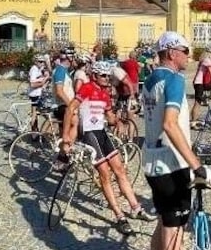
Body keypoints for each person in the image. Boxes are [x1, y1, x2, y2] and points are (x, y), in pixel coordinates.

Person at [142, 32, 211, 250]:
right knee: (174, 240)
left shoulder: (150, 79)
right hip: (171, 165)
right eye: (185, 50)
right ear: (171, 52)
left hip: (152, 162)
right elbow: (170, 124)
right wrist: (198, 166)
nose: (189, 55)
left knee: (163, 226)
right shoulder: (174, 80)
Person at [60, 61, 155, 235]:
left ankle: (136, 207)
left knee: (120, 170)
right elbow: (70, 109)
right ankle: (119, 216)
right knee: (105, 174)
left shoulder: (105, 93)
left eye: (108, 76)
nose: (107, 79)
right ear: (95, 76)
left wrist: (119, 120)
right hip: (88, 134)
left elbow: (110, 118)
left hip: (102, 133)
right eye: (103, 76)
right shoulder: (86, 88)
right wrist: (66, 135)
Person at [52, 48, 76, 134]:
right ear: (69, 58)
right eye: (73, 57)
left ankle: (63, 146)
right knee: (75, 123)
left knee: (64, 132)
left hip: (64, 105)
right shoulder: (60, 70)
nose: (74, 59)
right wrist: (71, 105)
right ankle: (67, 146)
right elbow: (59, 91)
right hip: (61, 105)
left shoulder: (65, 71)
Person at [190, 48, 211, 123]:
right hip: (199, 83)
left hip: (199, 82)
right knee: (197, 102)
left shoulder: (203, 59)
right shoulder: (207, 60)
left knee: (198, 102)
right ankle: (193, 121)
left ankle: (194, 120)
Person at [27, 55, 50, 131]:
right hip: (35, 94)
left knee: (35, 113)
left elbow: (48, 70)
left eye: (43, 62)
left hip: (37, 94)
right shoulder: (34, 69)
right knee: (39, 113)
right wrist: (43, 83)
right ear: (36, 62)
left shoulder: (38, 68)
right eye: (40, 62)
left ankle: (34, 132)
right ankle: (34, 132)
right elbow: (32, 84)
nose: (42, 63)